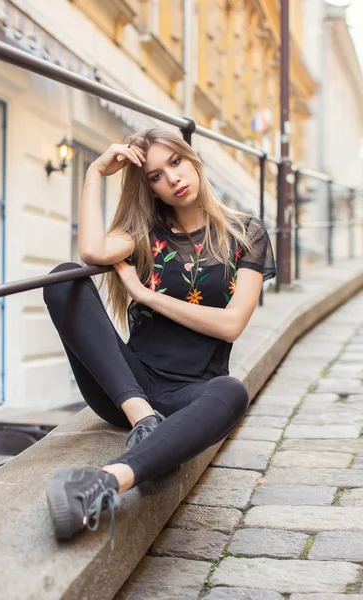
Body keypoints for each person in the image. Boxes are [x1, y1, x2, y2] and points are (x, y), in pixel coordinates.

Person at [43, 128, 276, 542]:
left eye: (175, 162)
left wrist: (141, 293)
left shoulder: (245, 233)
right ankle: (145, 422)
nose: (172, 178)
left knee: (233, 392)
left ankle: (104, 481)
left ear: (192, 160)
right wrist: (96, 170)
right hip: (127, 388)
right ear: (147, 187)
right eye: (154, 175)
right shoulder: (143, 232)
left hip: (190, 393)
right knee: (63, 279)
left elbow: (231, 324)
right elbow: (92, 253)